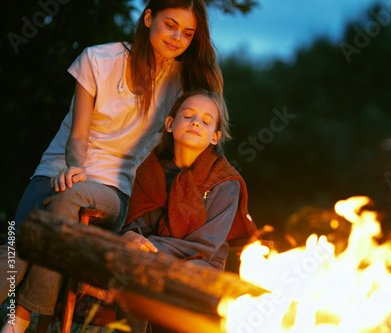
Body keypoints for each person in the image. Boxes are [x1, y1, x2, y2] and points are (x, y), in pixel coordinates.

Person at [1, 0, 223, 331]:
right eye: (170, 25)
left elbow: (204, 125)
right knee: (16, 247)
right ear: (148, 18)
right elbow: (78, 135)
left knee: (64, 201)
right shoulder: (98, 59)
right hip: (59, 169)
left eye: (188, 33)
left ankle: (19, 319)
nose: (177, 37)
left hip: (117, 187)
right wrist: (74, 167)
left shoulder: (182, 81)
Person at [118, 89, 257, 332]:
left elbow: (204, 246)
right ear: (170, 124)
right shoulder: (149, 171)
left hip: (200, 266)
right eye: (188, 116)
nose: (195, 122)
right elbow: (136, 225)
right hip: (149, 257)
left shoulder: (225, 183)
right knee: (134, 270)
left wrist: (153, 248)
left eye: (205, 121)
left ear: (214, 137)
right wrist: (130, 235)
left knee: (183, 282)